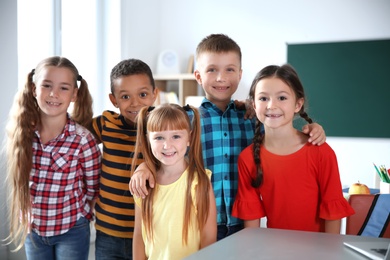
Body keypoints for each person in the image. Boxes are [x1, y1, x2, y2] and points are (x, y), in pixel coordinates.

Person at [129, 34, 326, 240]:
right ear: (198, 76)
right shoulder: (185, 120)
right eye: (212, 69)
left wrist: (314, 128)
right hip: (198, 222)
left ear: (240, 75)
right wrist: (144, 167)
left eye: (229, 69)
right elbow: (163, 154)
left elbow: (283, 133)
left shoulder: (253, 118)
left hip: (245, 222)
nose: (221, 77)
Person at [232, 64, 355, 233]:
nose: (271, 105)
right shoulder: (247, 158)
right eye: (263, 98)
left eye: (282, 98)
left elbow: (333, 212)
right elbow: (251, 222)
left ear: (298, 104)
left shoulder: (321, 152)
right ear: (253, 104)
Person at [5, 56, 101, 259]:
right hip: (34, 230)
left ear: (74, 94)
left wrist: (83, 215)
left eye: (63, 88)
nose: (53, 94)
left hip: (72, 230)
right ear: (33, 89)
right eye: (46, 85)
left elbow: (93, 189)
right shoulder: (23, 135)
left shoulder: (83, 140)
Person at [89, 58, 157, 260]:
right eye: (125, 96)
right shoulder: (106, 124)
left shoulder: (163, 126)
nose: (135, 103)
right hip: (109, 232)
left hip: (150, 232)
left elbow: (189, 121)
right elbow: (73, 136)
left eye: (143, 94)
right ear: (114, 100)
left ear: (155, 94)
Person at [132, 103, 216, 260]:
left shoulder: (199, 182)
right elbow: (139, 236)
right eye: (159, 137)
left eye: (176, 136)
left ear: (189, 138)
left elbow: (208, 238)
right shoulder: (143, 183)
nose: (167, 145)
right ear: (148, 140)